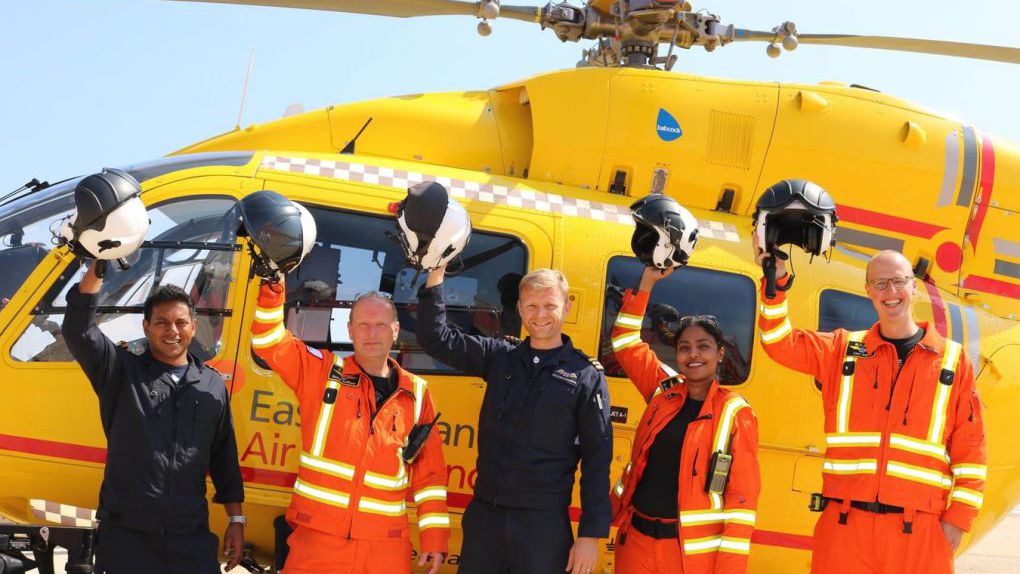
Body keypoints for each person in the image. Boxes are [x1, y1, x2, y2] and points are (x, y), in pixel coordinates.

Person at [754, 243, 987, 573]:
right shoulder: (842, 350)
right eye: (880, 283)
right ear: (867, 290)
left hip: (918, 530)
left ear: (914, 287)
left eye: (898, 281)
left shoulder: (952, 360)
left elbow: (972, 450)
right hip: (846, 526)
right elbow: (779, 342)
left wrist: (959, 520)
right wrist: (775, 283)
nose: (890, 291)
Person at [416, 266, 612, 574]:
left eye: (550, 305)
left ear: (567, 306)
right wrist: (436, 275)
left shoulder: (586, 376)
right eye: (532, 306)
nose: (540, 315)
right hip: (485, 519)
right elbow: (436, 339)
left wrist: (590, 535)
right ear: (519, 309)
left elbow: (597, 461)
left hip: (542, 527)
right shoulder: (499, 356)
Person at [251, 277, 449, 574]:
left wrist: (434, 536)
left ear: (395, 331)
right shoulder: (321, 372)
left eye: (381, 325)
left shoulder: (418, 393)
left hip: (385, 548)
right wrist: (273, 289)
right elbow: (268, 342)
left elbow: (430, 475)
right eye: (363, 325)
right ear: (349, 330)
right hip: (318, 542)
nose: (372, 333)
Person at [61, 262, 245, 574]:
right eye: (161, 323)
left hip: (190, 538)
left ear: (192, 325)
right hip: (127, 540)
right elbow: (78, 329)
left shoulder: (212, 385)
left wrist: (236, 520)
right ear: (146, 327)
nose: (172, 331)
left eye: (180, 322)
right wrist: (99, 263)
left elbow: (224, 458)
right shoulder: (120, 372)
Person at [609, 266, 760, 573]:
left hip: (684, 555)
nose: (694, 355)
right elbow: (625, 344)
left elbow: (742, 500)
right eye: (684, 348)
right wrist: (647, 283)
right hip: (636, 540)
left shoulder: (735, 413)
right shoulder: (663, 391)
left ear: (719, 354)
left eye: (703, 347)